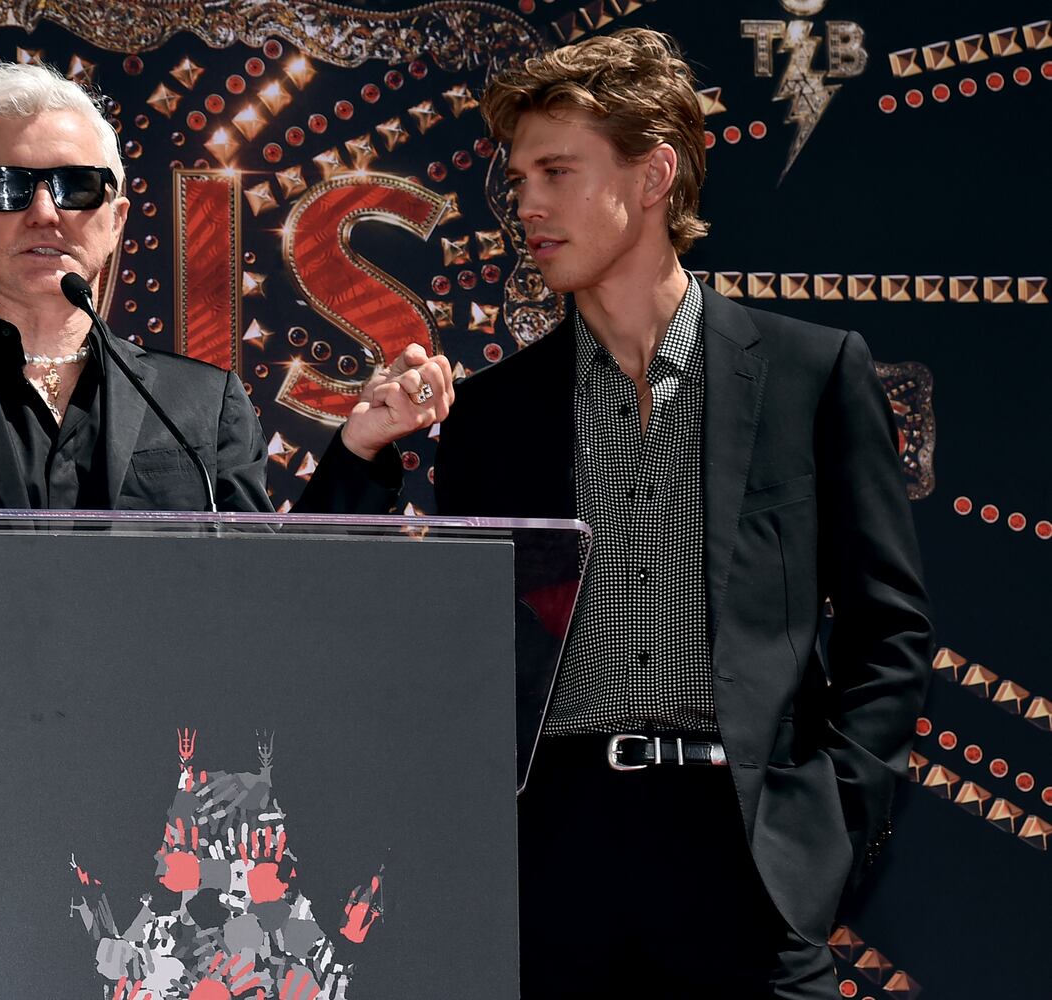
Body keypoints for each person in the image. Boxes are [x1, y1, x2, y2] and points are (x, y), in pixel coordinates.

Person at [308, 27, 933, 998]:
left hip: (749, 854)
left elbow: (887, 632)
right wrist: (364, 453)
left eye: (557, 171)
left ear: (655, 178)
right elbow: (399, 650)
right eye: (519, 180)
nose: (528, 205)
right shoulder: (492, 415)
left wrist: (831, 828)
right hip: (556, 858)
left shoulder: (814, 375)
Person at [0, 62, 444, 677]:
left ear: (114, 220)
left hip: (165, 789)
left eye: (76, 186)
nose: (45, 211)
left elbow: (272, 610)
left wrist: (359, 452)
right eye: (6, 188)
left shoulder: (198, 402)